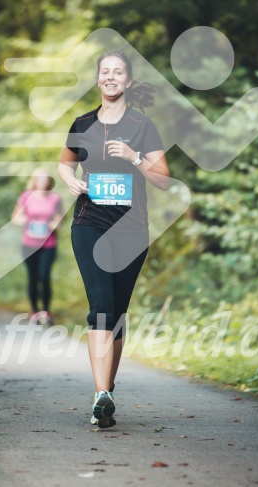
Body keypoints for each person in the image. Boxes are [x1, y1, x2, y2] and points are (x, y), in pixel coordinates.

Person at [58, 51, 170, 428]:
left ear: (127, 80)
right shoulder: (82, 122)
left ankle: (106, 390)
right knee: (101, 304)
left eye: (117, 72)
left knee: (117, 313)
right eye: (104, 71)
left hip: (132, 229)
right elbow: (64, 161)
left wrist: (135, 157)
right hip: (89, 224)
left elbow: (163, 178)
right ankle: (100, 395)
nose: (110, 77)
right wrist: (70, 179)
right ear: (98, 79)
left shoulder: (142, 125)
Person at [12, 168, 63, 325]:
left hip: (48, 244)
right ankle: (34, 311)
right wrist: (28, 221)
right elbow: (15, 217)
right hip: (29, 244)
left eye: (46, 178)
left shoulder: (55, 199)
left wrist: (51, 224)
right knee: (33, 277)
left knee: (44, 276)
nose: (44, 181)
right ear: (34, 180)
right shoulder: (25, 197)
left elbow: (60, 219)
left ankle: (46, 311)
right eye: (41, 178)